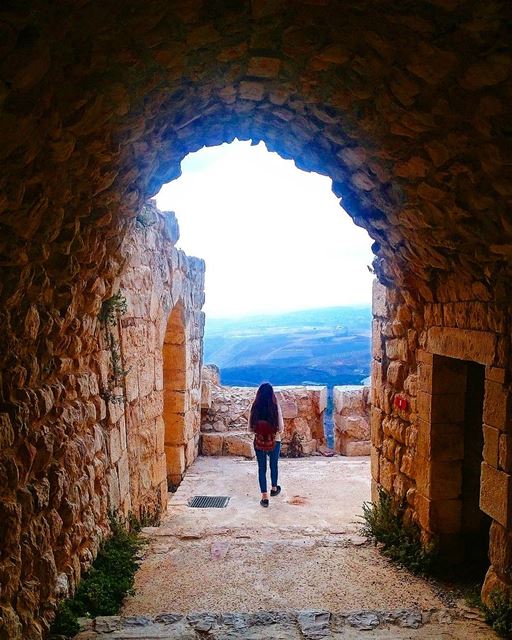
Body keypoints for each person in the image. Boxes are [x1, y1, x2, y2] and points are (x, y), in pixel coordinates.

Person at [248, 382, 284, 507]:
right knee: (274, 465)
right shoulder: (275, 406)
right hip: (275, 440)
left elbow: (250, 428)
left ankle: (264, 497)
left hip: (258, 441)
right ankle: (274, 488)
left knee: (261, 468)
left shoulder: (255, 407)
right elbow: (281, 428)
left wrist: (261, 431)